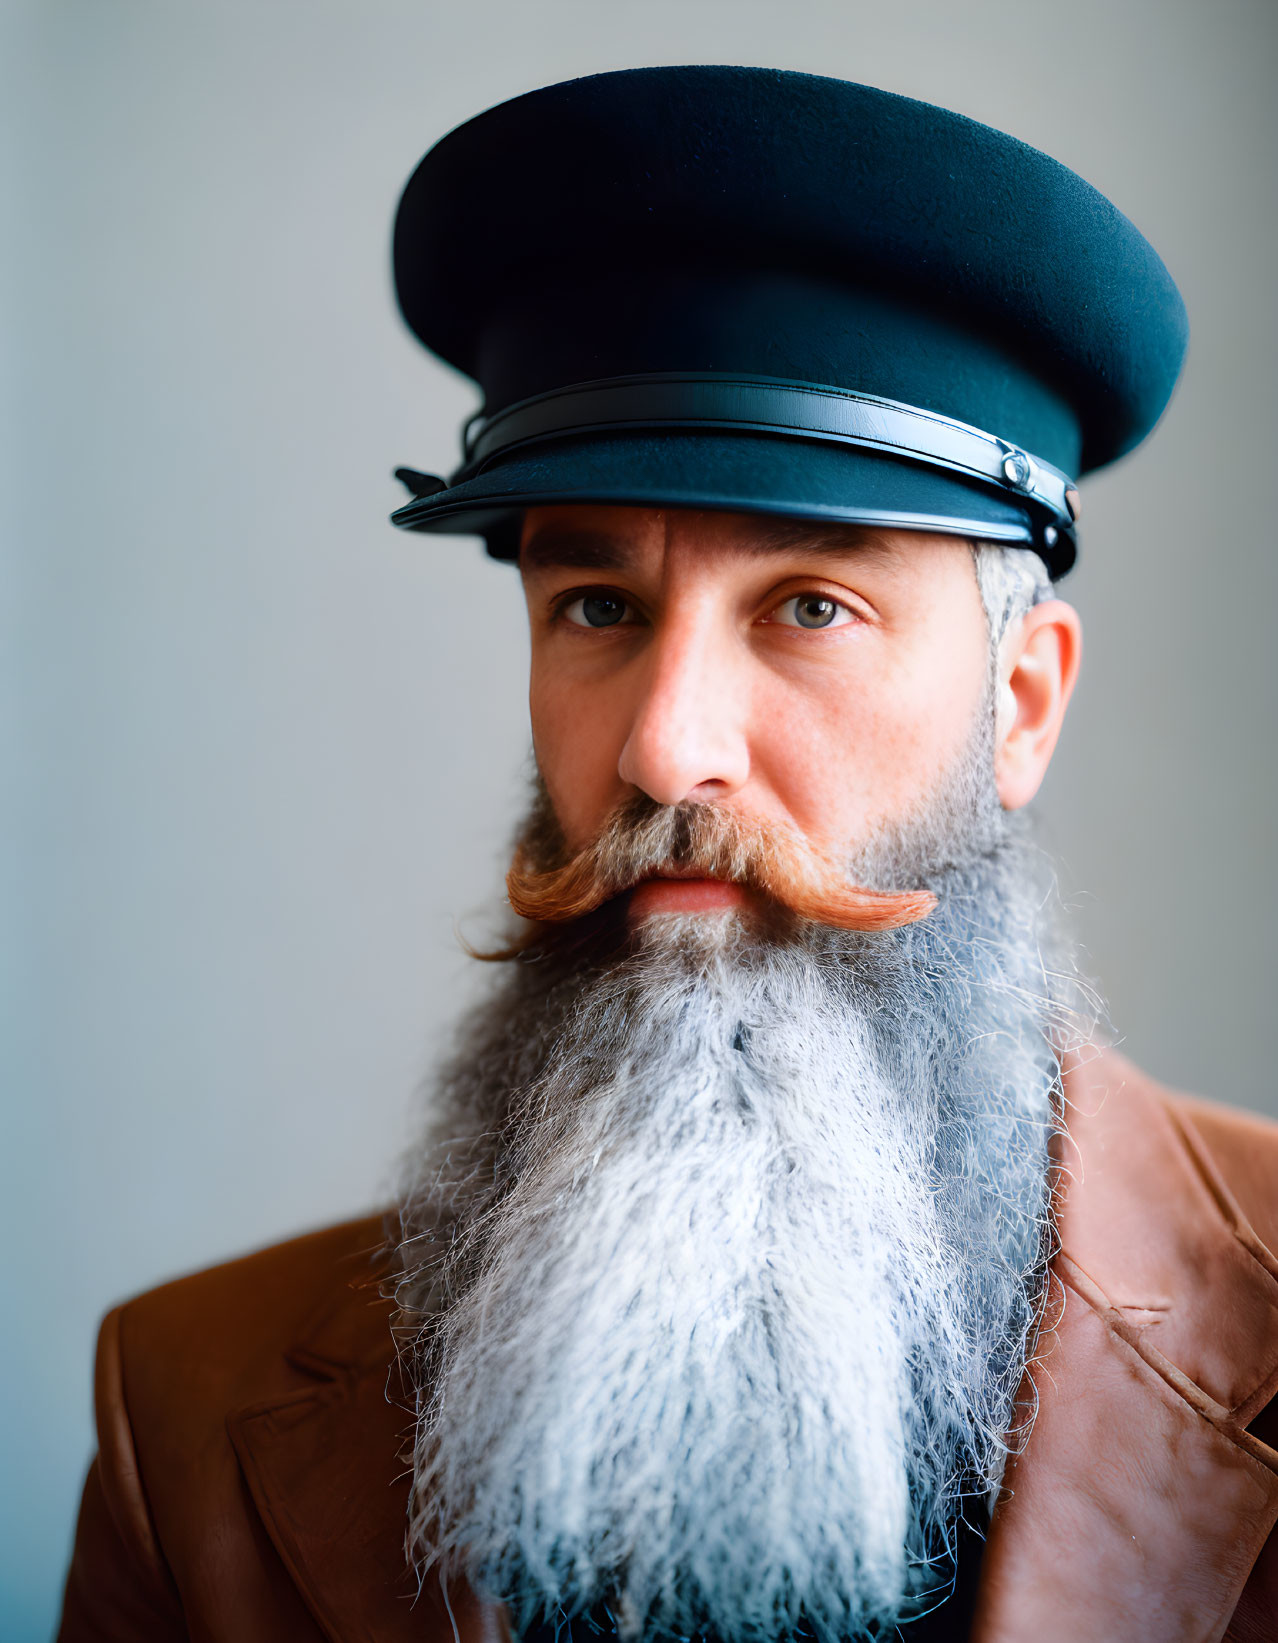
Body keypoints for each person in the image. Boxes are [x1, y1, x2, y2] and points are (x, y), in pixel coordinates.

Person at [57, 65, 1278, 1643]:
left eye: (808, 606)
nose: (660, 746)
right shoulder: (189, 1411)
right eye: (598, 609)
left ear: (1021, 705)